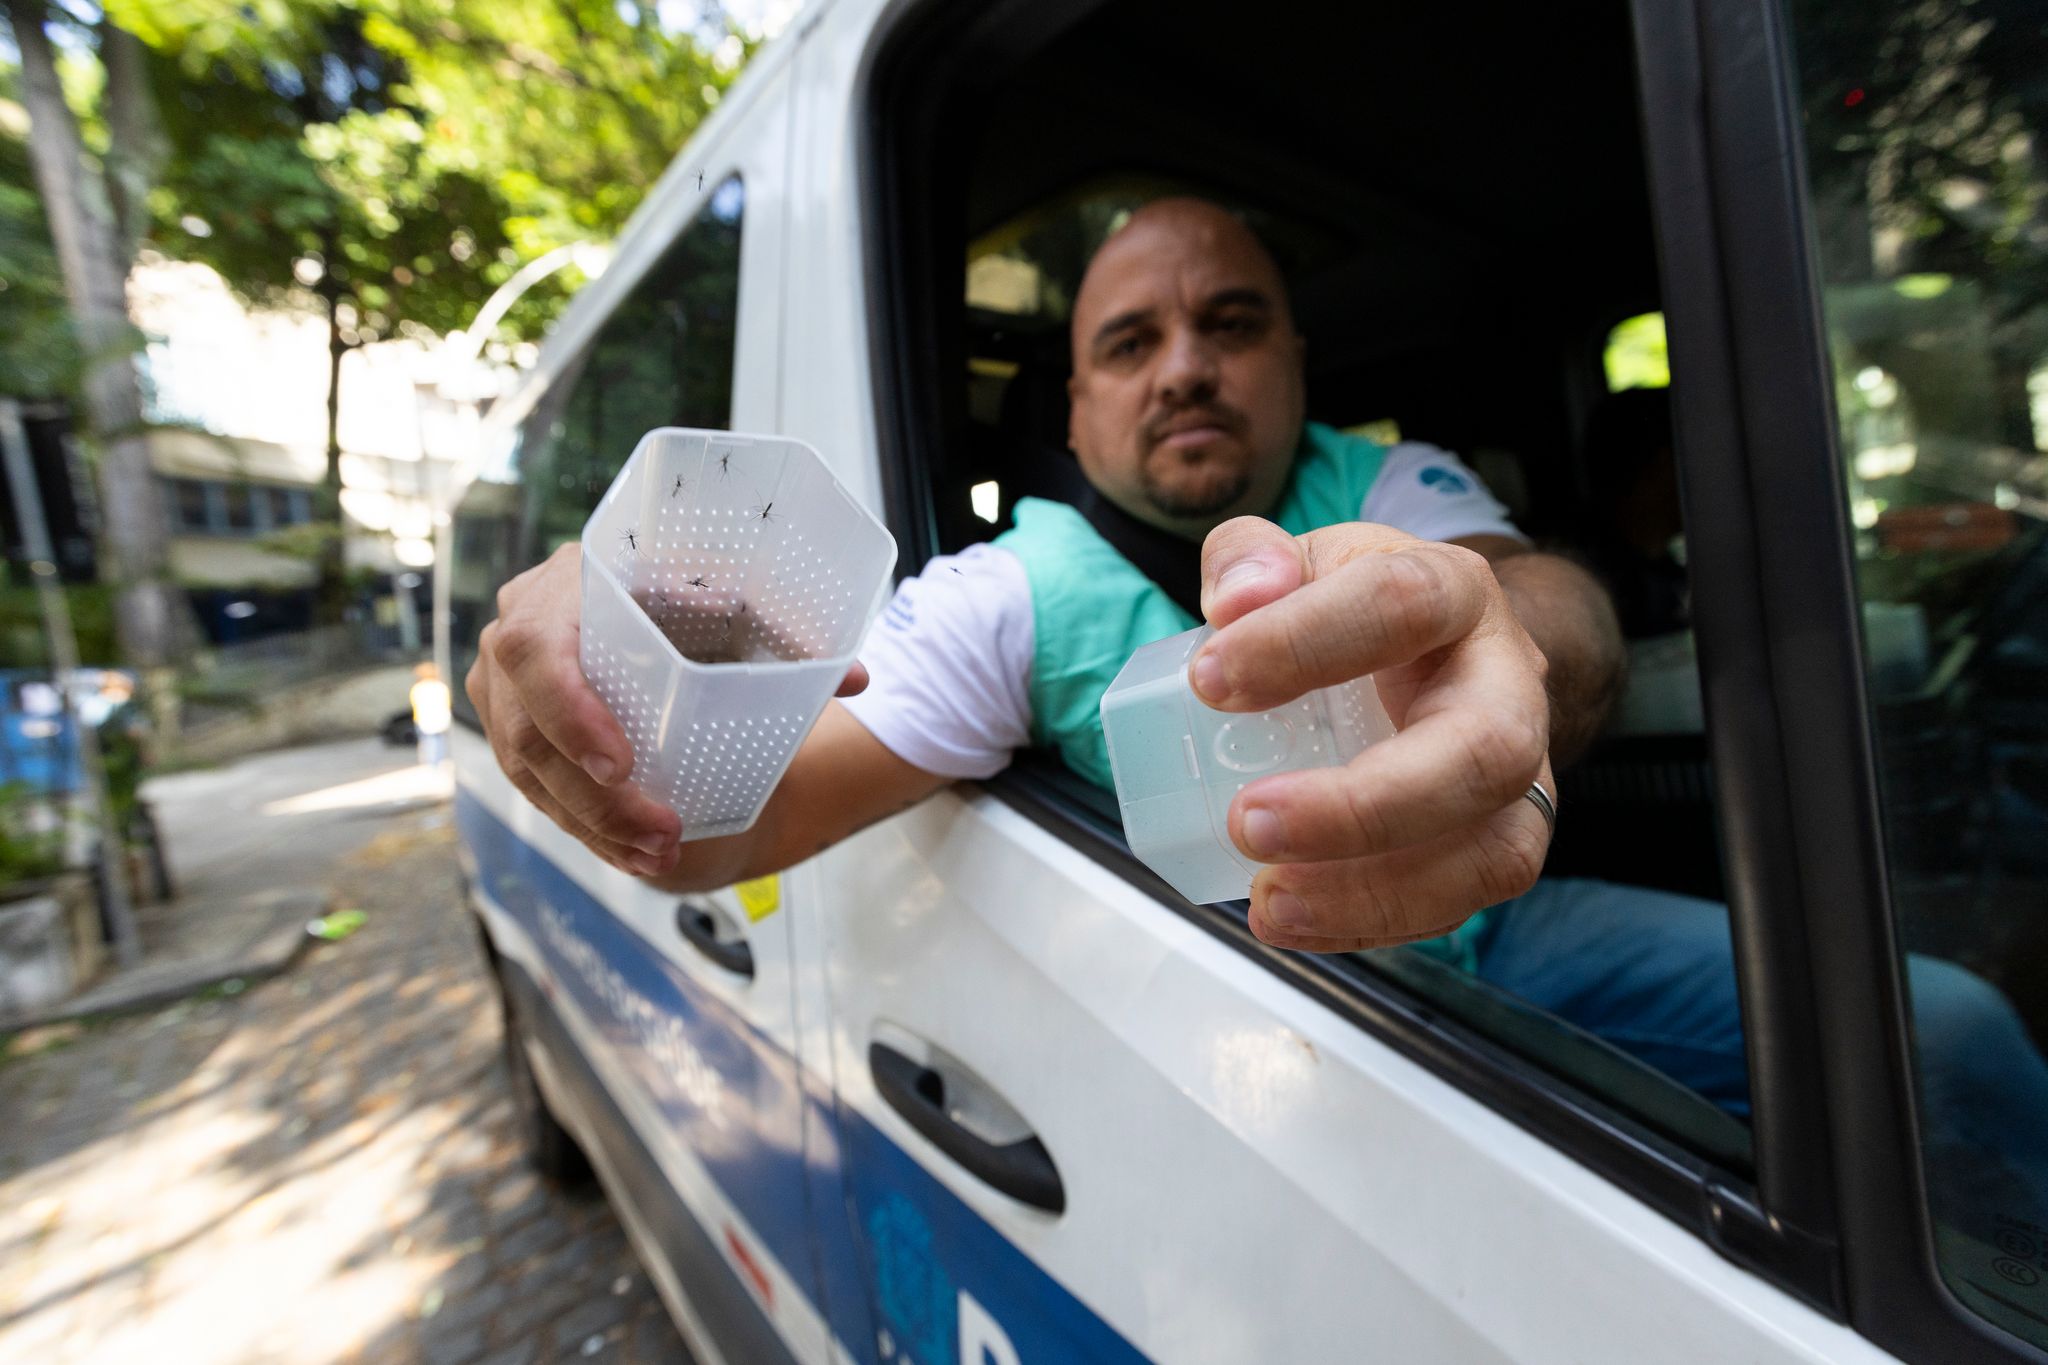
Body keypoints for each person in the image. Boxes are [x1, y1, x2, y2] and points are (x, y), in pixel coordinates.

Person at [466, 196, 1627, 952]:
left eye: (1230, 324)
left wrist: (1500, 636)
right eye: (1128, 343)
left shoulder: (1389, 483)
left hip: (1511, 937)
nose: (1182, 368)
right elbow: (712, 836)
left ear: (1293, 362)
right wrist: (616, 668)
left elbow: (1542, 602)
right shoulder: (1002, 599)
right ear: (1073, 412)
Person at [410, 663, 452, 768]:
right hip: (440, 719)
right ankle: (439, 761)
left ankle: (431, 763)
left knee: (427, 741)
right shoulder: (441, 687)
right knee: (439, 741)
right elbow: (447, 703)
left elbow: (415, 705)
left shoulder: (417, 688)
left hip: (424, 720)